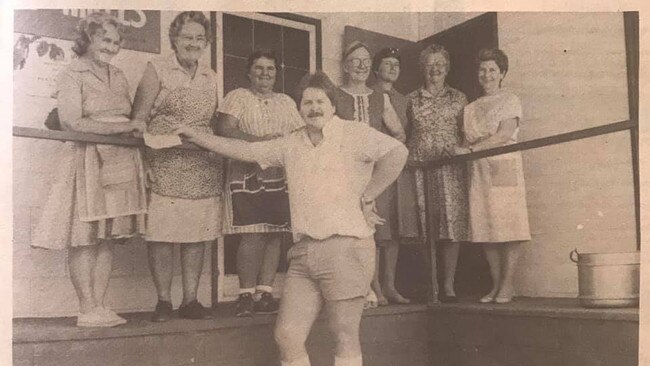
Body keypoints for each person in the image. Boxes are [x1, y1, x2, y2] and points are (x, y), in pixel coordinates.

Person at [176, 71, 408, 366]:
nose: (314, 108)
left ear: (333, 106)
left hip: (346, 248)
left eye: (320, 101)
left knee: (344, 333)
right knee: (287, 335)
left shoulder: (354, 133)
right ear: (299, 109)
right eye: (307, 102)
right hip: (303, 254)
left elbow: (397, 152)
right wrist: (199, 137)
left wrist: (369, 194)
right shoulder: (291, 143)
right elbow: (246, 150)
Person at [31, 13, 146, 327]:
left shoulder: (119, 75)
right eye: (104, 39)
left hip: (119, 159)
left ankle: (100, 306)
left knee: (106, 236)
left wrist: (133, 128)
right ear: (88, 39)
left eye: (115, 41)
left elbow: (128, 116)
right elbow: (71, 121)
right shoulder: (72, 73)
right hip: (85, 158)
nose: (110, 46)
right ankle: (86, 309)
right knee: (85, 236)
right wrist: (119, 129)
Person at [131, 11, 219, 321]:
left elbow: (213, 120)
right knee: (163, 233)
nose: (193, 43)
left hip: (202, 164)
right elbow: (139, 118)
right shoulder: (157, 69)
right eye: (187, 37)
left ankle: (191, 300)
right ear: (174, 39)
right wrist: (146, 161)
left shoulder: (211, 76)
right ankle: (164, 302)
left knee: (196, 233)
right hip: (166, 159)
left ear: (206, 42)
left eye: (199, 38)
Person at [216, 50, 304, 317]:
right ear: (249, 71)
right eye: (259, 68)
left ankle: (265, 292)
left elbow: (299, 132)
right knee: (252, 233)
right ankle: (245, 294)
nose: (265, 74)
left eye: (270, 69)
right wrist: (259, 142)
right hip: (247, 171)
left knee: (274, 233)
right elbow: (225, 130)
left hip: (278, 173)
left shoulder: (286, 102)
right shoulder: (237, 97)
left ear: (276, 73)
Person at [333, 41, 406, 308]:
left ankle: (374, 288)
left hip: (373, 176)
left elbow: (399, 133)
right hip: (344, 174)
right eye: (355, 61)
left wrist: (379, 150)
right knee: (349, 232)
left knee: (375, 231)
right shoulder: (334, 95)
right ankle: (360, 288)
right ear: (345, 66)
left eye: (365, 61)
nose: (361, 66)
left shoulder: (380, 97)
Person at [456, 48, 531, 304]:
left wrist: (473, 149)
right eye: (482, 70)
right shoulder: (469, 108)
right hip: (478, 169)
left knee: (509, 224)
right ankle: (496, 284)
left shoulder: (510, 100)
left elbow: (503, 135)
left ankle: (508, 285)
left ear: (502, 73)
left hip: (503, 164)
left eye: (492, 70)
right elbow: (466, 138)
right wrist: (471, 149)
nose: (486, 75)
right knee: (485, 225)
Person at [407, 44, 469, 303]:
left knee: (451, 224)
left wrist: (458, 150)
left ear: (447, 68)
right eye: (430, 64)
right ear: (423, 68)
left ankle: (449, 285)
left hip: (450, 168)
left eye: (440, 64)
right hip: (420, 168)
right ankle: (430, 284)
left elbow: (468, 134)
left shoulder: (459, 98)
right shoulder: (411, 99)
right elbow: (404, 133)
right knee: (425, 225)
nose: (435, 69)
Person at [368, 47, 412, 305]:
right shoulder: (370, 94)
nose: (393, 68)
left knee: (393, 230)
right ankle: (375, 287)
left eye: (396, 64)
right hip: (374, 169)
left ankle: (390, 284)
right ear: (377, 69)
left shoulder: (403, 99)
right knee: (376, 229)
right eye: (387, 63)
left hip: (396, 170)